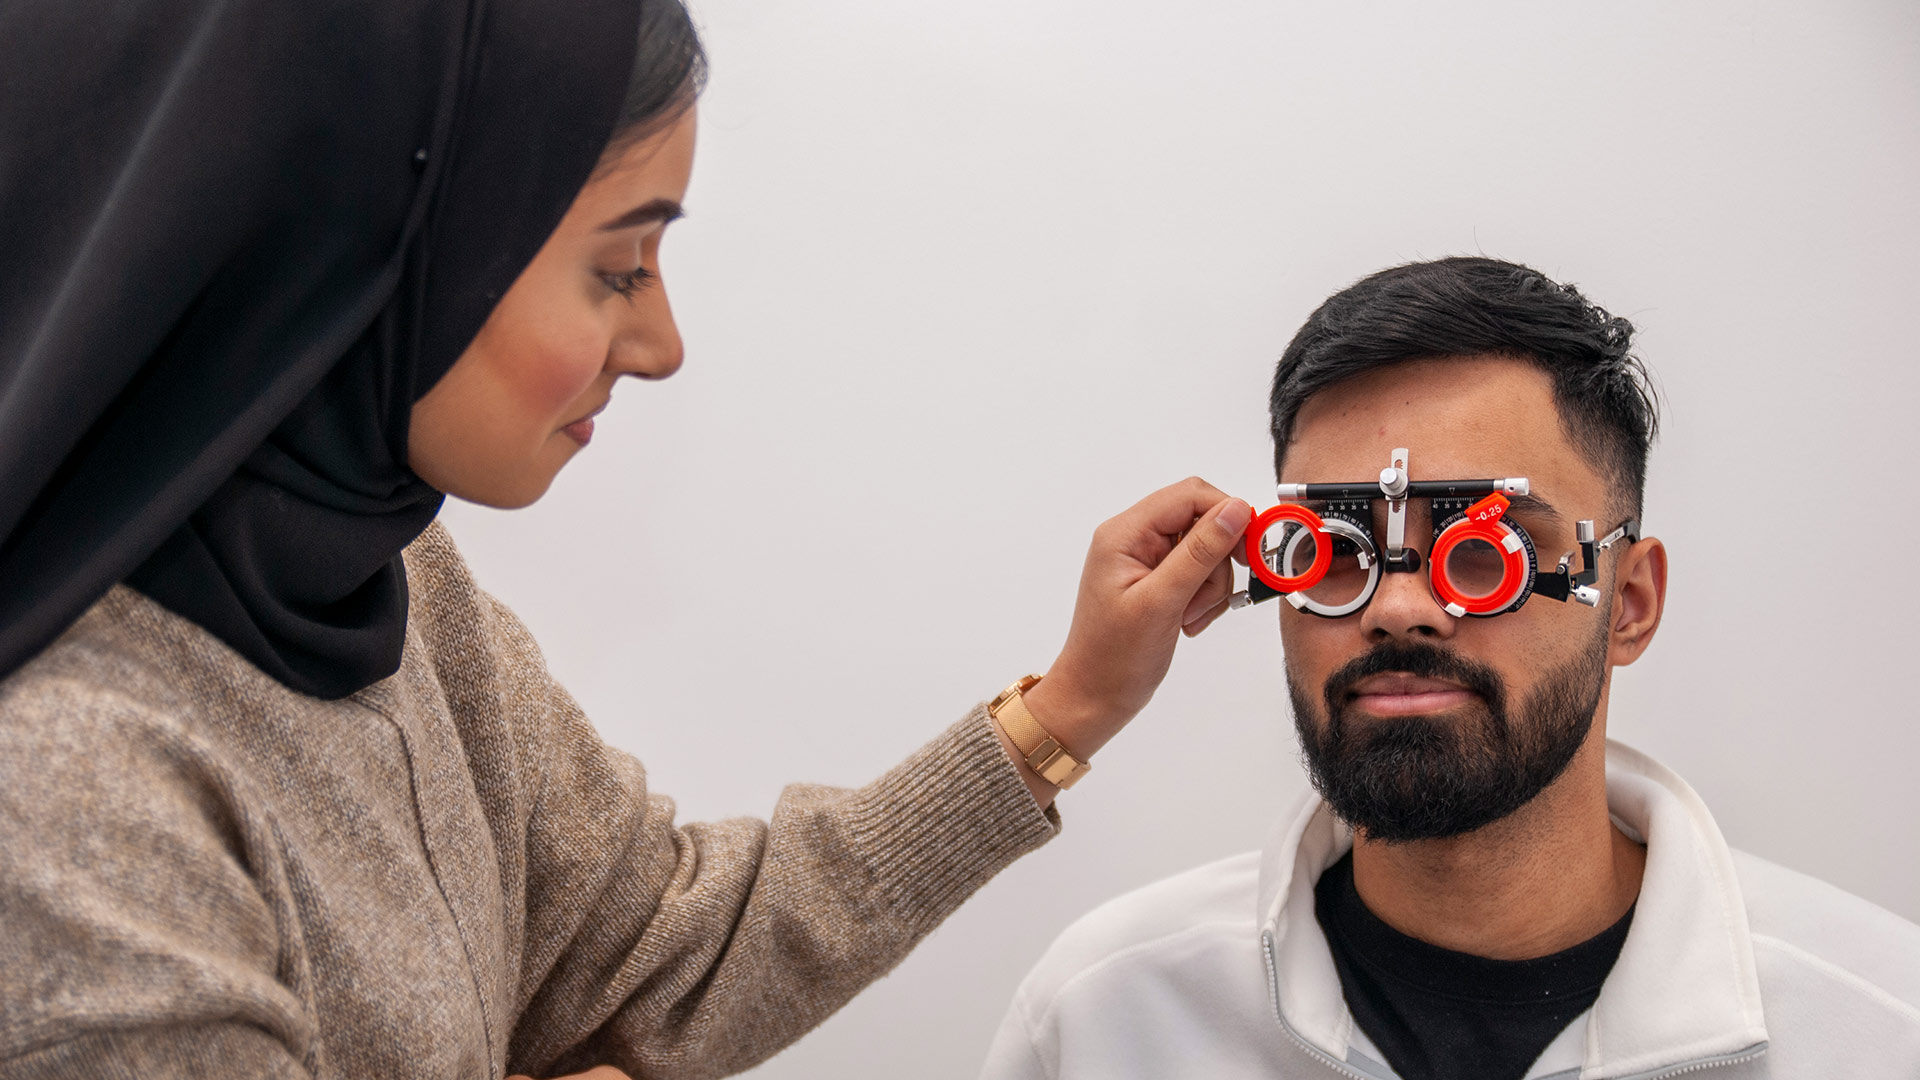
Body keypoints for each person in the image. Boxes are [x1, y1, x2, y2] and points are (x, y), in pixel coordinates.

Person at [0, 2, 1254, 1077]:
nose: (662, 346)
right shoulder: (65, 789)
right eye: (618, 269)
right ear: (379, 240)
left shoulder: (392, 587)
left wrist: (1071, 706)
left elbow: (654, 951)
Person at [981, 257, 1920, 1080]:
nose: (1396, 608)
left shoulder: (1876, 1029)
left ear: (1628, 603)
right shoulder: (1109, 1018)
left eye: (1488, 547)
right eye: (1340, 547)